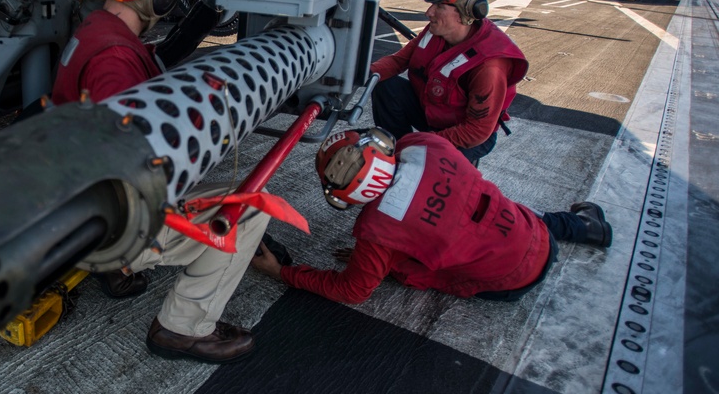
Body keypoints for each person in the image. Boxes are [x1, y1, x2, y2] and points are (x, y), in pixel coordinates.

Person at [53, 0, 269, 362]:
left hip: (71, 201)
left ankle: (116, 266)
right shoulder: (116, 61)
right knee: (249, 211)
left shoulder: (98, 31)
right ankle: (183, 328)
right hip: (101, 219)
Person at [250, 128, 613, 304]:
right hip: (534, 233)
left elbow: (353, 290)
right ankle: (586, 227)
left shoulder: (377, 233)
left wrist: (281, 272)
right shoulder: (424, 144)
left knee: (420, 269)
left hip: (509, 283)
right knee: (504, 212)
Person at [368, 0, 529, 166]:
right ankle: (396, 153)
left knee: (430, 173)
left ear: (466, 11)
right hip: (432, 112)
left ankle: (420, 159)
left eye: (439, 6)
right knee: (386, 85)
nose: (429, 13)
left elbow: (476, 131)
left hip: (465, 135)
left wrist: (420, 144)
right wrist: (360, 75)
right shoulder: (436, 31)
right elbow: (398, 61)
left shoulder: (489, 65)